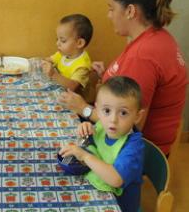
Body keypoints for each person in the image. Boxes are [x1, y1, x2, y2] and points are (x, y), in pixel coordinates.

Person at [58, 0, 187, 155]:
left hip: (134, 151)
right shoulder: (158, 37)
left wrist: (84, 109)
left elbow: (129, 127)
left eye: (111, 8)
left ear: (130, 11)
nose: (108, 15)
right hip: (137, 137)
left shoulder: (143, 56)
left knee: (58, 146)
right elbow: (133, 85)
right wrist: (108, 78)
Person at [59, 76, 145, 212]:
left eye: (123, 113)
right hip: (94, 192)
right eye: (107, 111)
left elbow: (116, 179)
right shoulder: (102, 126)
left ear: (137, 117)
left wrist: (85, 156)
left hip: (119, 206)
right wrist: (86, 129)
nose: (113, 120)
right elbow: (93, 145)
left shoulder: (133, 147)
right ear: (97, 109)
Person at [41, 14, 93, 92]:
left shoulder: (82, 66)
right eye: (57, 39)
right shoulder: (63, 54)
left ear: (79, 43)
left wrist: (53, 74)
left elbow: (72, 86)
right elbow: (48, 60)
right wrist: (44, 62)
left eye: (63, 40)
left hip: (72, 99)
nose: (57, 43)